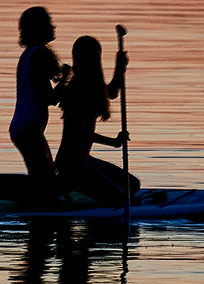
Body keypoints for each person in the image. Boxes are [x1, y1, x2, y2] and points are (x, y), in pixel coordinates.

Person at [0, 6, 63, 209]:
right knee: (44, 196)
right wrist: (68, 77)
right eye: (48, 22)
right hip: (28, 129)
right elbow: (48, 98)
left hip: (27, 127)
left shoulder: (30, 53)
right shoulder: (39, 54)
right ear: (38, 28)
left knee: (46, 183)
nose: (53, 26)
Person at [55, 34, 140, 205]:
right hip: (70, 164)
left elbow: (113, 92)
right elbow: (82, 134)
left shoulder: (95, 85)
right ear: (80, 60)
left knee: (132, 185)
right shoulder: (74, 91)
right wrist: (114, 142)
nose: (93, 61)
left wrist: (120, 67)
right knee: (119, 197)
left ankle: (69, 185)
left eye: (96, 56)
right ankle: (63, 184)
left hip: (84, 159)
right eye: (89, 56)